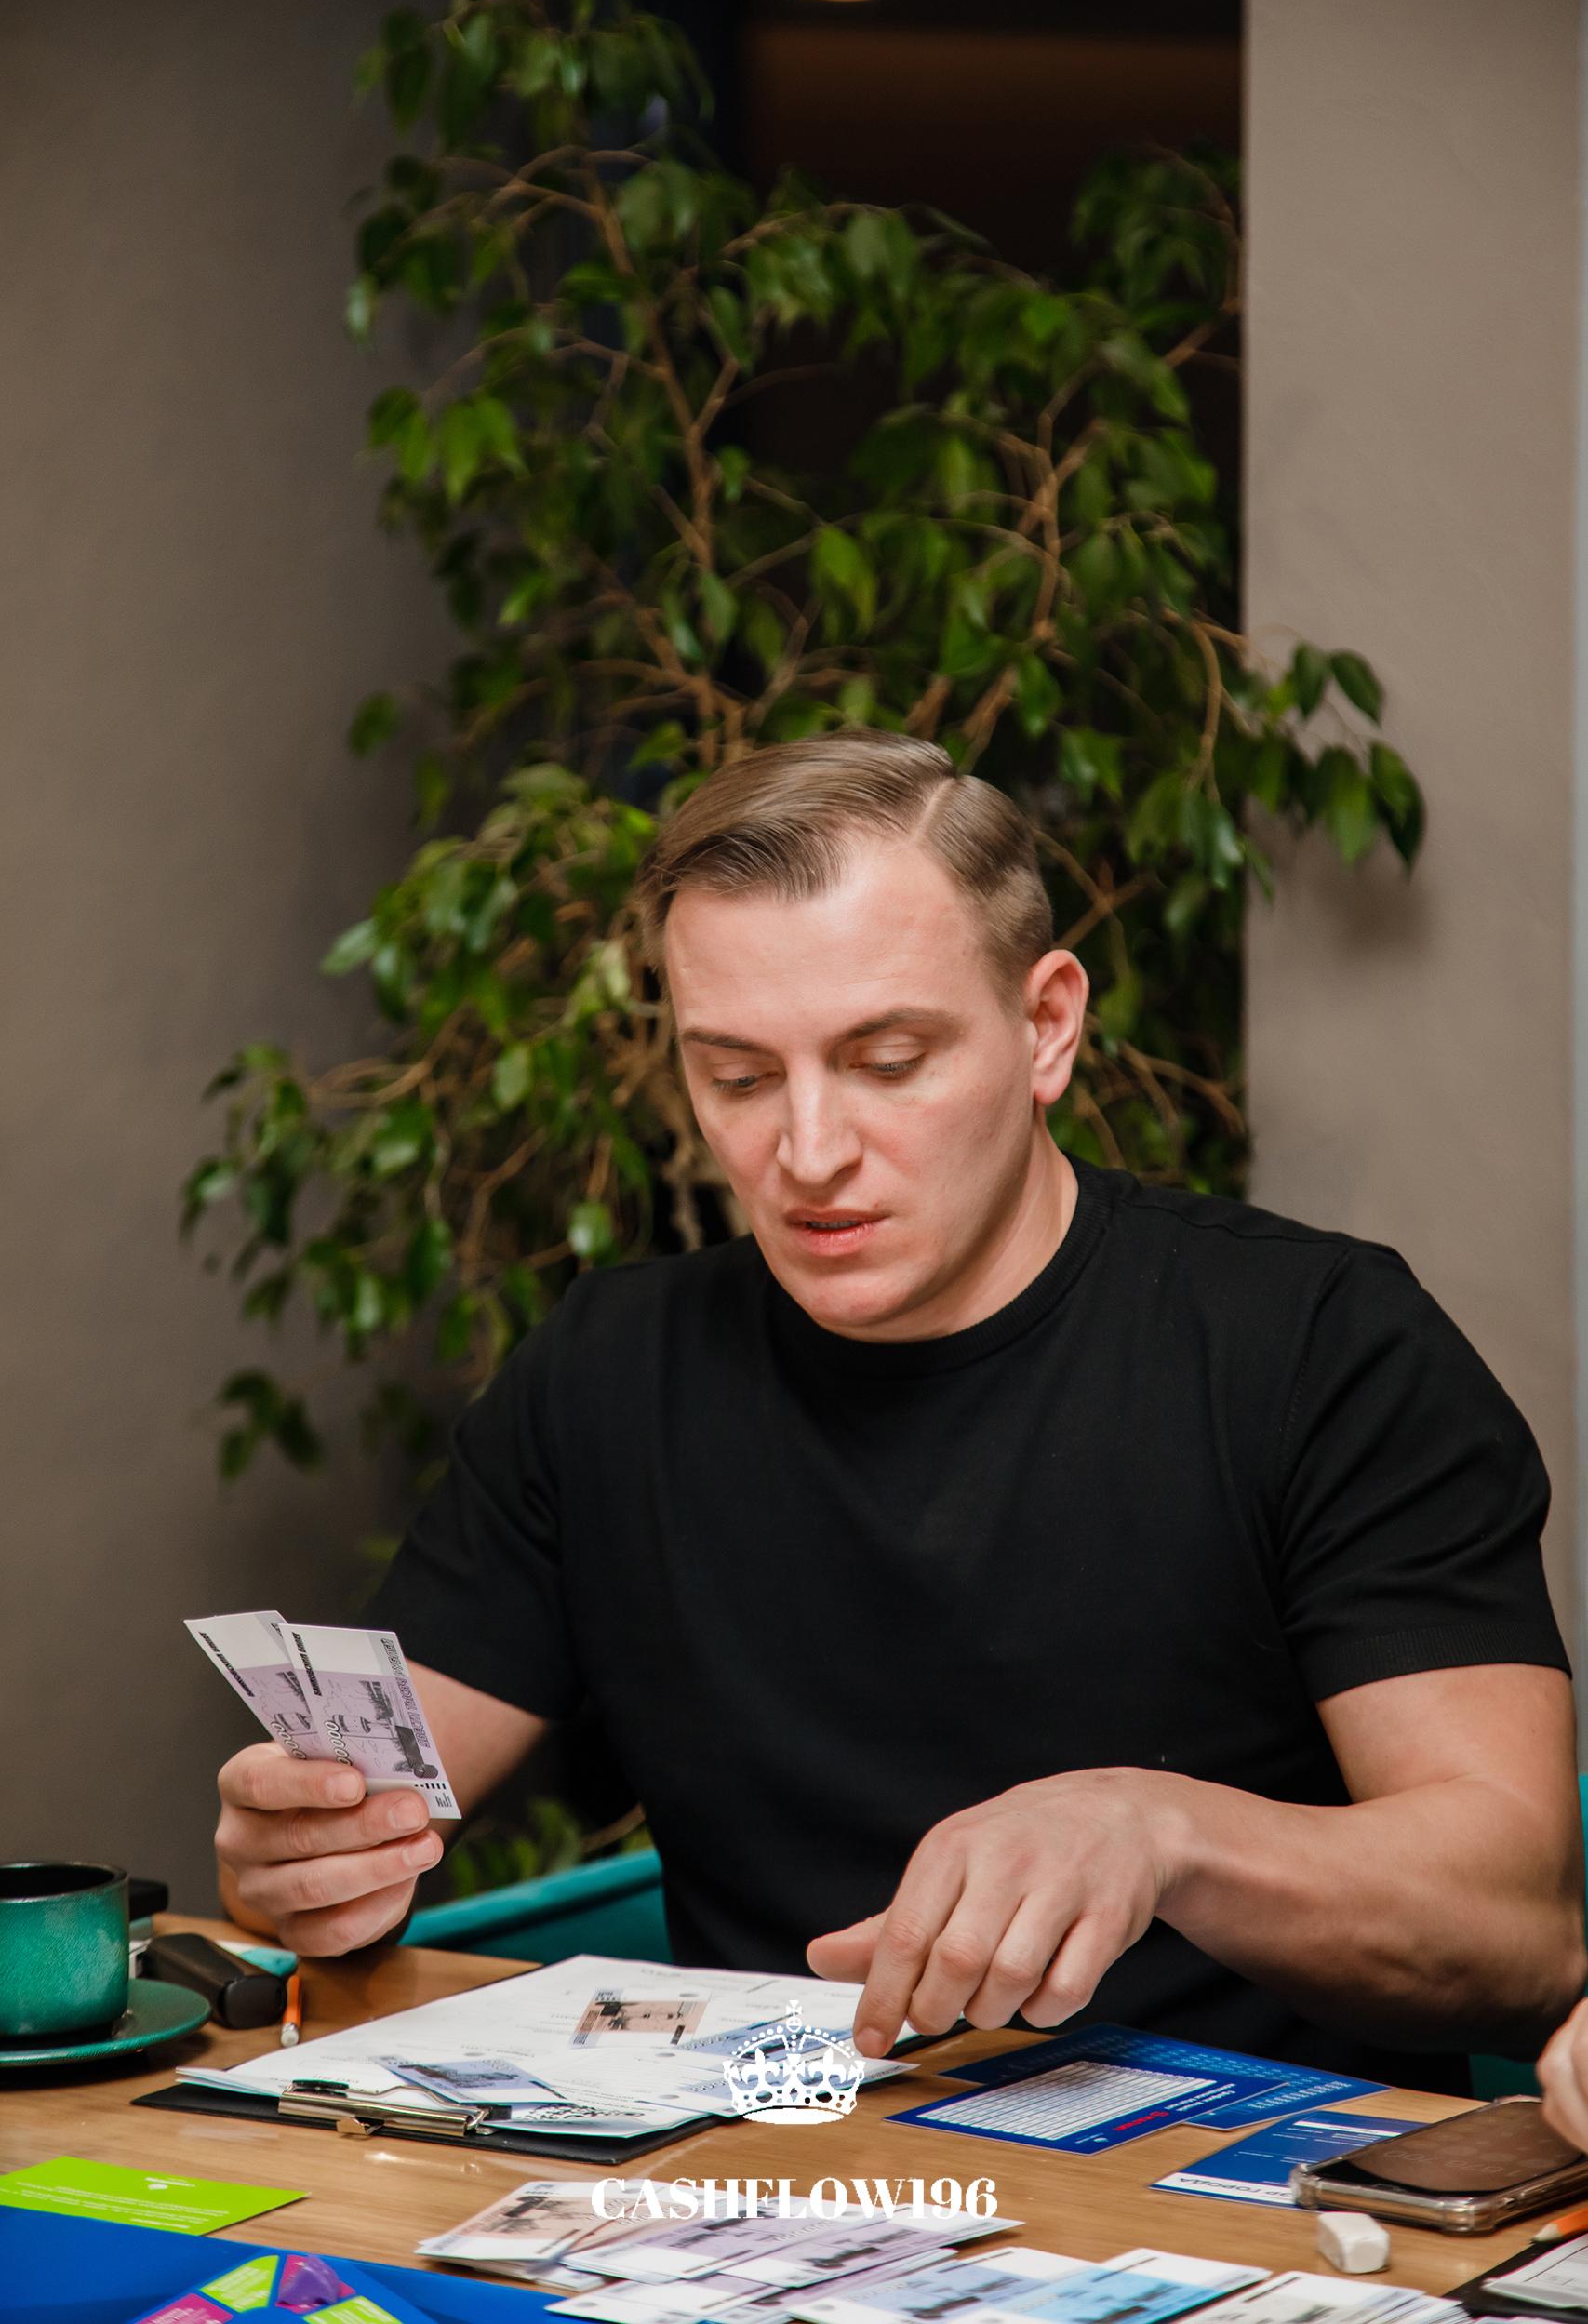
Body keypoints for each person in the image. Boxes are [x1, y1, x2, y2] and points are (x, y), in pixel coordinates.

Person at [214, 730, 1585, 2084]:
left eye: (887, 1060)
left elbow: (1516, 1933)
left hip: (1239, 2180)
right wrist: (305, 1859)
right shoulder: (609, 1372)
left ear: (1047, 1027)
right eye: (739, 1077)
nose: (807, 1153)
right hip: (764, 2166)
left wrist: (1163, 1832)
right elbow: (356, 1810)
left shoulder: (1318, 1348)